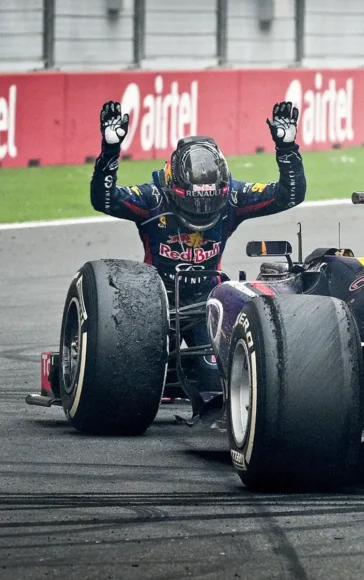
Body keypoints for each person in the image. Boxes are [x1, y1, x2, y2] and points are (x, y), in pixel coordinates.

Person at [90, 100, 306, 396]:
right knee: (137, 381)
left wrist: (287, 148)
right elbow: (105, 200)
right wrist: (110, 150)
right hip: (153, 302)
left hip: (207, 300)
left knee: (215, 380)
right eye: (193, 201)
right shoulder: (153, 197)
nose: (201, 208)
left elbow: (288, 196)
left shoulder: (234, 196)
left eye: (208, 201)